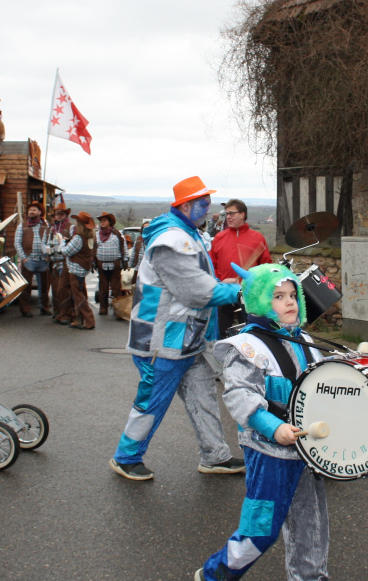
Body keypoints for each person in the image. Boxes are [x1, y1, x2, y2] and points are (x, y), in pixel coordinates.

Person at [195, 263, 350, 581]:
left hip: (306, 450)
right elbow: (240, 396)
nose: (289, 302)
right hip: (269, 453)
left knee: (311, 527)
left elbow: (321, 382)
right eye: (278, 297)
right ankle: (215, 578)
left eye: (292, 295)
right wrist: (273, 427)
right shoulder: (246, 347)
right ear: (260, 302)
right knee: (260, 530)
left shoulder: (304, 340)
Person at [109, 175, 245, 481]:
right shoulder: (172, 241)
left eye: (208, 203)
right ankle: (126, 457)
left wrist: (223, 285)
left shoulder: (187, 234)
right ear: (185, 206)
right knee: (152, 401)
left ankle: (215, 456)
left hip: (187, 340)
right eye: (203, 204)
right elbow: (196, 292)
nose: (208, 209)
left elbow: (197, 283)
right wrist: (237, 291)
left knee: (203, 396)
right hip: (161, 342)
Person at [210, 198, 272, 336]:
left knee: (252, 333)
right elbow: (212, 265)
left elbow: (266, 266)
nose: (228, 217)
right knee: (221, 333)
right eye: (227, 214)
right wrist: (219, 283)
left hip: (249, 294)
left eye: (232, 213)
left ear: (242, 214)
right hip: (224, 292)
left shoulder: (257, 238)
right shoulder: (219, 237)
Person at [14, 201, 52, 317]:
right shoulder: (22, 226)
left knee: (44, 286)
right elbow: (17, 243)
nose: (31, 211)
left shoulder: (45, 226)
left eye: (34, 210)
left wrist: (48, 256)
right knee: (26, 286)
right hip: (29, 258)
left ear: (39, 212)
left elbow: (50, 241)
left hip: (42, 259)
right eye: (30, 210)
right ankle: (25, 309)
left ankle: (44, 308)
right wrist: (23, 258)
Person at [62, 211, 97, 330]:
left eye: (77, 221)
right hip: (83, 268)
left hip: (76, 269)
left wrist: (62, 243)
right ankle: (79, 319)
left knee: (78, 296)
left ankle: (89, 321)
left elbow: (66, 252)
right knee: (79, 294)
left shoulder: (78, 238)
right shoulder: (90, 237)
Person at [94, 212, 127, 317]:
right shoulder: (96, 235)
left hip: (115, 265)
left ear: (110, 222)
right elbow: (93, 248)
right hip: (101, 265)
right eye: (101, 221)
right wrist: (93, 262)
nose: (102, 222)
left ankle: (118, 310)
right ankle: (103, 308)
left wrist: (125, 260)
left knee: (116, 288)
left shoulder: (117, 234)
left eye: (104, 220)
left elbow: (124, 247)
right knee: (103, 287)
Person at [48, 203, 74, 325]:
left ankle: (66, 314)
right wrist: (47, 250)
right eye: (57, 214)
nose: (58, 216)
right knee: (55, 289)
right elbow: (46, 242)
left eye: (61, 213)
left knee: (63, 288)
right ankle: (57, 312)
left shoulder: (71, 228)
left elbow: (74, 243)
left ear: (65, 215)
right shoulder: (51, 229)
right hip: (54, 261)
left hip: (65, 261)